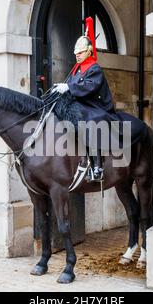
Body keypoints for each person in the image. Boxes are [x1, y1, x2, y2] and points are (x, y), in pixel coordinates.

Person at [53, 17, 119, 182]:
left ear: (89, 51)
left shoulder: (94, 68)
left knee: (90, 121)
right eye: (76, 54)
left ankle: (97, 167)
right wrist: (61, 87)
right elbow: (71, 85)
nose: (77, 56)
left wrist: (69, 88)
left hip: (97, 106)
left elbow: (90, 87)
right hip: (83, 104)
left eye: (80, 53)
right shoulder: (78, 70)